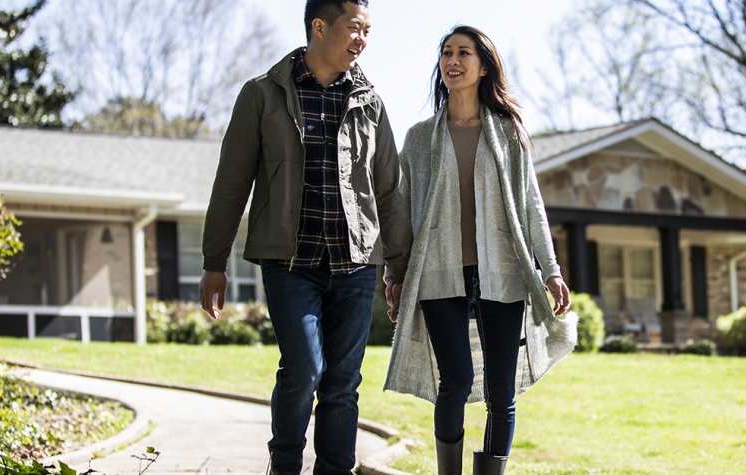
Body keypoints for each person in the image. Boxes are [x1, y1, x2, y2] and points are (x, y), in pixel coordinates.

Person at [198, 0, 411, 473]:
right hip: (290, 262)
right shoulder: (262, 94)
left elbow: (390, 189)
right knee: (305, 371)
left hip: (355, 264)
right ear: (319, 26)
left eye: (368, 31)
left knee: (342, 383)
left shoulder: (369, 102)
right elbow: (232, 183)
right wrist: (215, 262)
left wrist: (399, 269)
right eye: (354, 28)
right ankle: (285, 465)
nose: (363, 40)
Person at [382, 25, 577, 475]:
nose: (452, 60)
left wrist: (550, 269)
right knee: (456, 381)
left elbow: (531, 204)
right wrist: (394, 275)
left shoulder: (509, 134)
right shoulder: (417, 139)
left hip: (503, 272)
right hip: (437, 272)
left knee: (500, 393)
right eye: (446, 53)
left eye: (463, 53)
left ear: (483, 65)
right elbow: (400, 210)